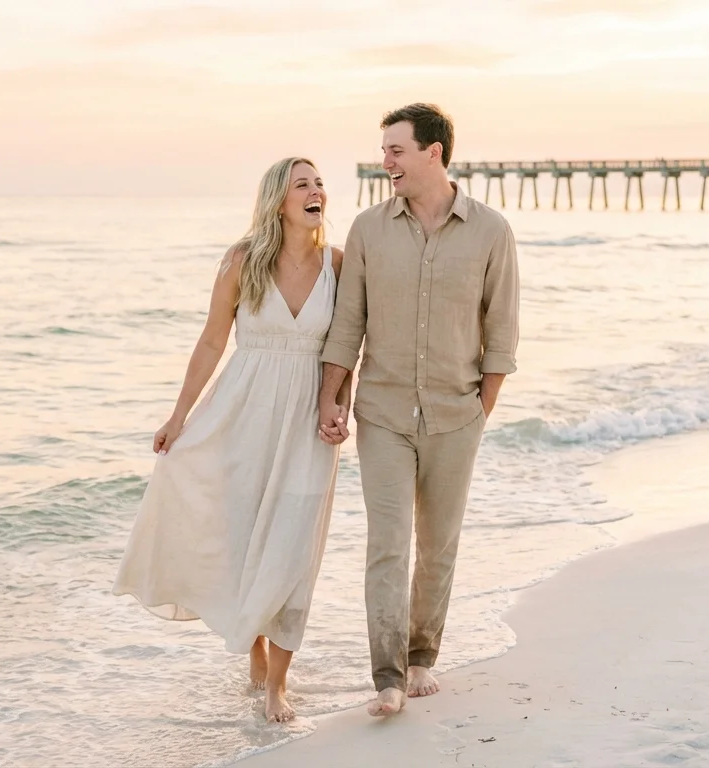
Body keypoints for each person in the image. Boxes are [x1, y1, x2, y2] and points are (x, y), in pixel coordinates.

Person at [114, 157, 348, 724]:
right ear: (278, 200)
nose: (316, 191)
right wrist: (179, 416)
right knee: (243, 539)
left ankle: (277, 685)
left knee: (295, 549)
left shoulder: (339, 265)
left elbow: (348, 345)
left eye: (319, 183)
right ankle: (256, 651)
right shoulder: (242, 261)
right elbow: (213, 341)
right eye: (303, 184)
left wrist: (337, 404)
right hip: (240, 414)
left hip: (306, 426)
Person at [317, 103, 520, 717]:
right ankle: (386, 674)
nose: (386, 163)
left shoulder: (491, 231)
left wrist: (479, 411)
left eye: (396, 150)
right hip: (380, 414)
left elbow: (502, 333)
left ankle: (422, 657)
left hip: (456, 416)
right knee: (388, 544)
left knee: (438, 545)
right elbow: (348, 322)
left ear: (434, 152)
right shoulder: (368, 230)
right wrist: (333, 396)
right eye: (384, 151)